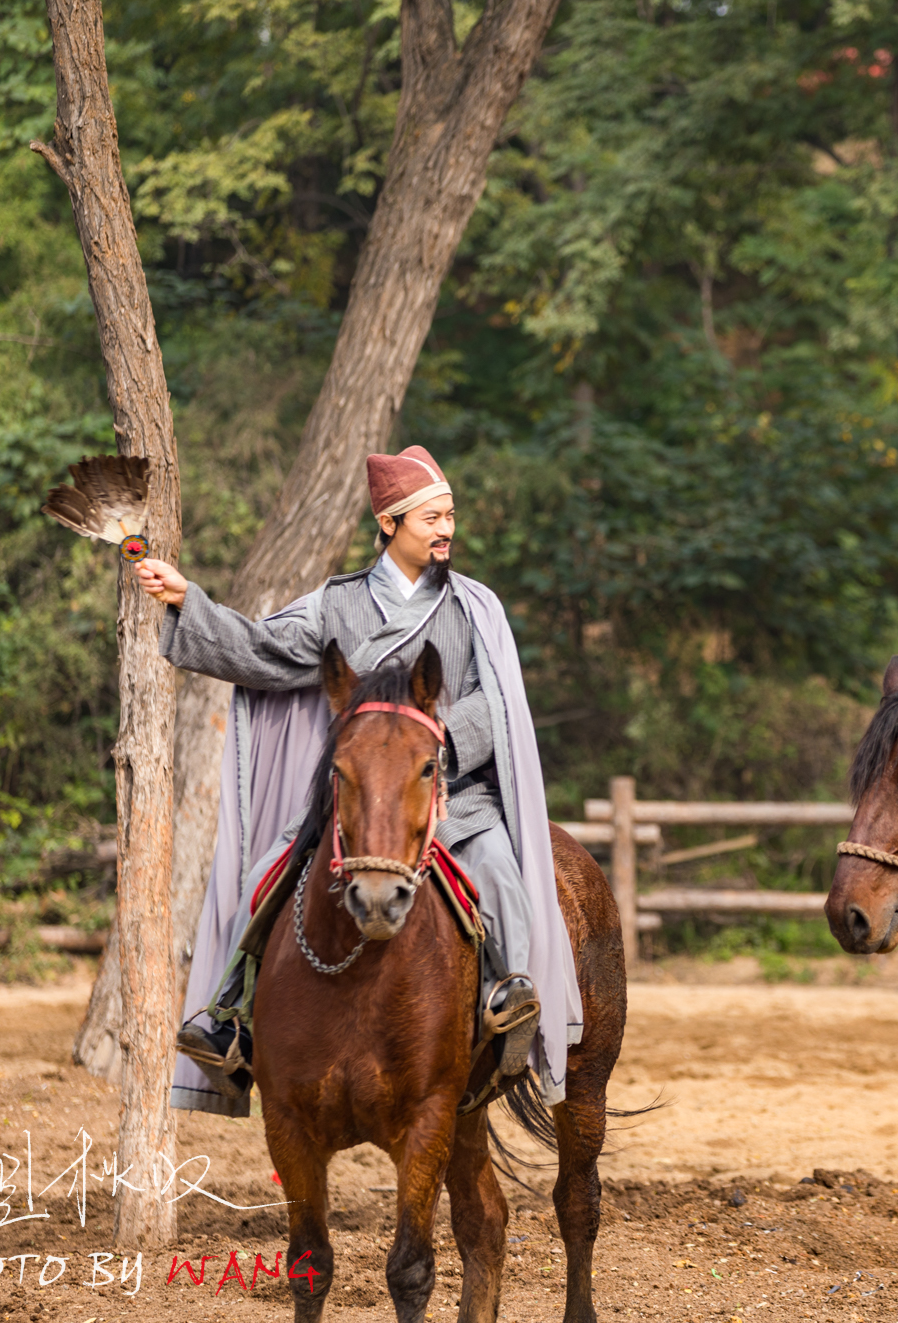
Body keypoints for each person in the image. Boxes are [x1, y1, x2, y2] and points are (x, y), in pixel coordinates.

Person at [134, 446, 580, 1116]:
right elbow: (259, 648)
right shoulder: (334, 605)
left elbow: (499, 702)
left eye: (450, 515)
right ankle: (231, 1018)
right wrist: (186, 599)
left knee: (499, 873)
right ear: (390, 520)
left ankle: (508, 998)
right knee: (261, 880)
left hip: (449, 796)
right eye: (432, 516)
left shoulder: (472, 609)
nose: (446, 528)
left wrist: (432, 747)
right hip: (352, 807)